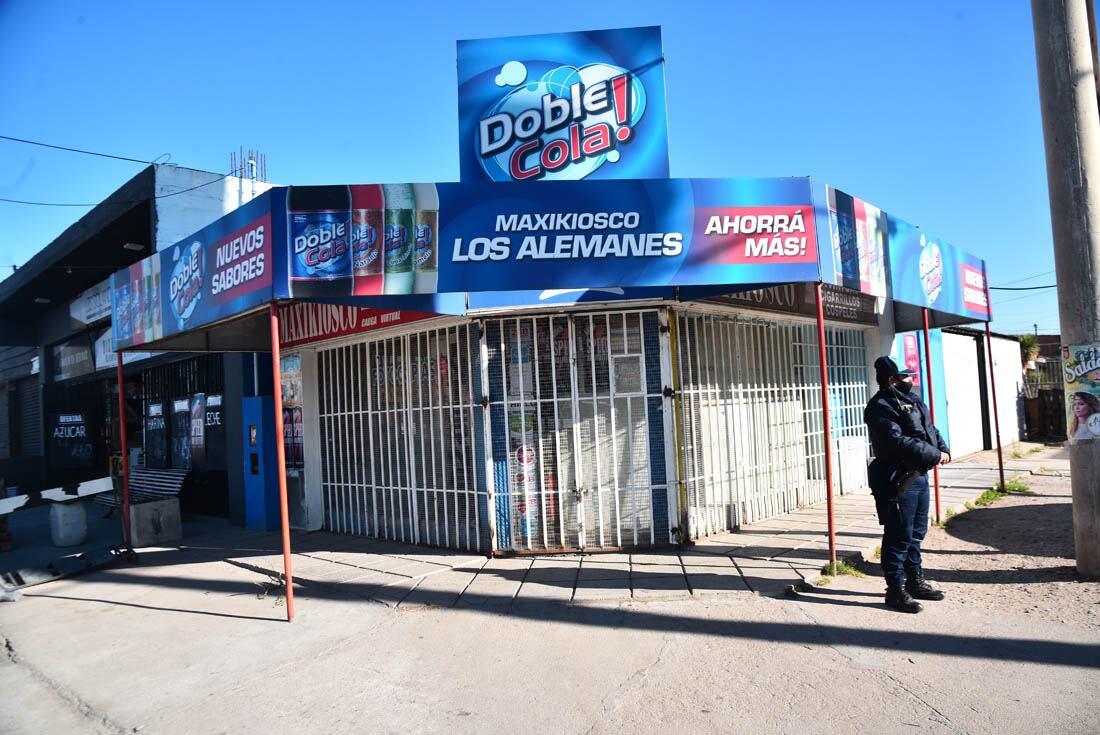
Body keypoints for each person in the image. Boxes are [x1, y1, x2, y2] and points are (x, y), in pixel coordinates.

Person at [864, 356, 951, 613]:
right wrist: (934, 455)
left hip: (919, 476)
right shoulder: (879, 406)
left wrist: (943, 448)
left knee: (916, 533)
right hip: (897, 479)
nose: (911, 380)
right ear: (892, 379)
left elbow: (929, 428)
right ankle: (895, 590)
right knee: (898, 534)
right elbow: (896, 441)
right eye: (905, 376)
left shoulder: (912, 400)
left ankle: (914, 581)